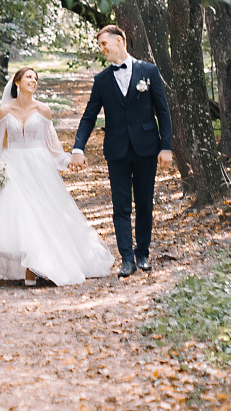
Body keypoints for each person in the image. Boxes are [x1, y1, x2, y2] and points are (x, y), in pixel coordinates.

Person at [0, 66, 114, 287]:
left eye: (35, 78)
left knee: (41, 214)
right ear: (17, 82)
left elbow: (52, 147)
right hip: (13, 166)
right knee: (21, 215)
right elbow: (0, 145)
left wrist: (69, 160)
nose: (33, 80)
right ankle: (29, 266)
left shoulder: (43, 110)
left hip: (39, 167)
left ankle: (36, 268)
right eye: (28, 77)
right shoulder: (5, 111)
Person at [68, 24, 173, 278]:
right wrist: (77, 147)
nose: (102, 50)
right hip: (117, 151)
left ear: (119, 41)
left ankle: (143, 254)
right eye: (100, 46)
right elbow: (89, 116)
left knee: (145, 203)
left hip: (147, 148)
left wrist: (166, 147)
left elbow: (163, 111)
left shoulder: (149, 71)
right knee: (120, 206)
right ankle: (127, 258)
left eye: (104, 44)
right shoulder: (102, 80)